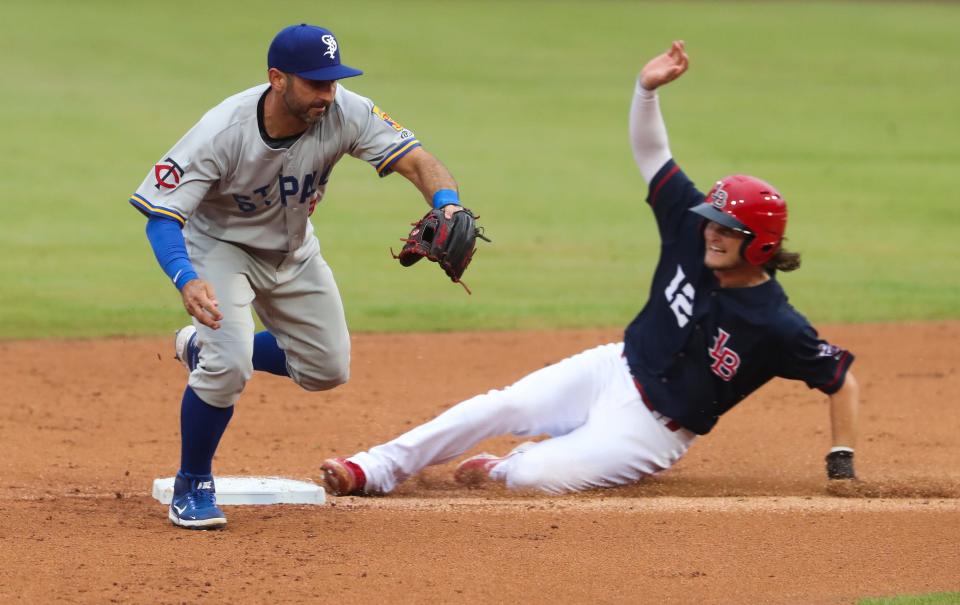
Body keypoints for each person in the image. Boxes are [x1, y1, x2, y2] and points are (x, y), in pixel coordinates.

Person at [319, 40, 860, 497]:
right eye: (712, 221)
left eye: (727, 228)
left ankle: (508, 468)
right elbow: (654, 155)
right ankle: (375, 467)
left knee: (532, 476)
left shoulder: (777, 324)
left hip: (653, 431)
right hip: (613, 367)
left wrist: (841, 464)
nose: (712, 232)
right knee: (500, 405)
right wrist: (645, 91)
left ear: (760, 244)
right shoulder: (689, 229)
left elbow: (841, 381)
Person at [130, 24, 468, 529]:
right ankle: (192, 483)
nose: (327, 94)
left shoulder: (346, 109)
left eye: (332, 82)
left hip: (293, 249)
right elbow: (161, 214)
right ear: (277, 79)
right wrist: (186, 278)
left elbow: (419, 161)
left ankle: (203, 347)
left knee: (327, 368)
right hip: (222, 248)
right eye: (315, 83)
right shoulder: (223, 131)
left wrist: (448, 203)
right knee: (228, 368)